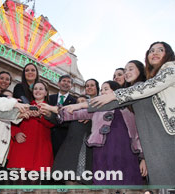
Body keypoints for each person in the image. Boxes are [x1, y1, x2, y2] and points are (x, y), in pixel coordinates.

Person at [90, 42, 175, 185]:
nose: (154, 53)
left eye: (160, 50)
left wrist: (114, 95)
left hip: (166, 140)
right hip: (155, 146)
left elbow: (146, 89)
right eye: (151, 51)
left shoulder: (170, 68)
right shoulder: (136, 91)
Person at [52, 80, 147, 185]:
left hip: (126, 154)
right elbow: (74, 114)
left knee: (128, 184)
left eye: (106, 89)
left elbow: (137, 136)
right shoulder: (98, 110)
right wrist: (51, 109)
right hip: (103, 154)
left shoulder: (130, 111)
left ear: (116, 91)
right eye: (101, 90)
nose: (102, 92)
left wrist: (142, 158)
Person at [7, 82, 54, 179]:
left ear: (46, 93)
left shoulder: (51, 109)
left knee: (35, 184)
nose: (37, 91)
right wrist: (16, 133)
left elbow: (53, 124)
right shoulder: (23, 106)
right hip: (23, 146)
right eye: (35, 89)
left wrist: (40, 116)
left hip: (40, 148)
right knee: (19, 182)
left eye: (41, 89)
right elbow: (11, 120)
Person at [51, 95, 93, 184]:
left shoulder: (94, 116)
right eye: (78, 102)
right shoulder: (70, 116)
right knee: (69, 183)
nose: (80, 104)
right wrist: (48, 113)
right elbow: (57, 120)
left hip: (86, 153)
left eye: (83, 101)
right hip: (70, 155)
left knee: (82, 185)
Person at [46, 74, 76, 157]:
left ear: (71, 86)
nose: (66, 83)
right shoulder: (49, 98)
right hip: (47, 135)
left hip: (64, 138)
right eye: (64, 81)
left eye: (69, 82)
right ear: (58, 83)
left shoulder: (74, 102)